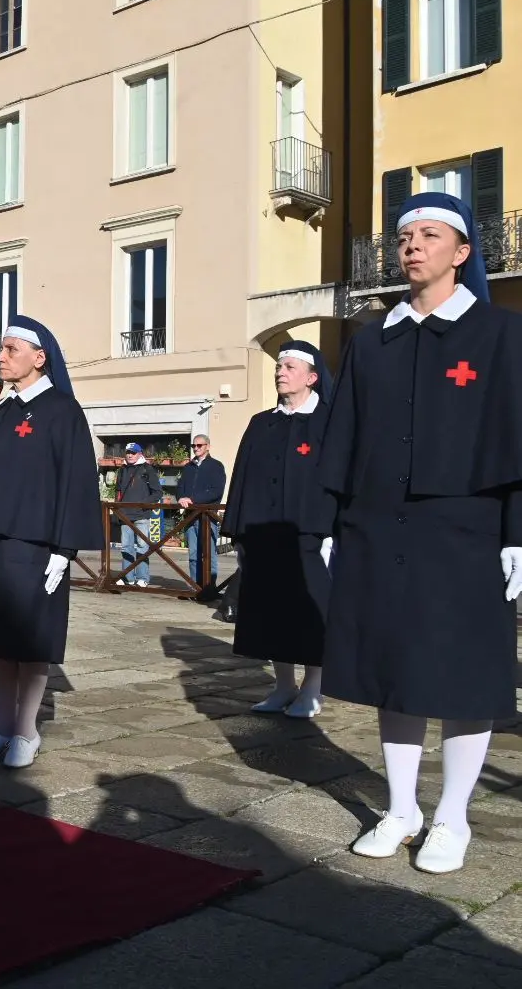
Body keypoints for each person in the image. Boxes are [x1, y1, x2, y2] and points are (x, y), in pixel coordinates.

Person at [319, 192, 522, 875]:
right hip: (379, 529)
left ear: (462, 253)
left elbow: (517, 438)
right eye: (404, 236)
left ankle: (452, 816)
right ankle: (401, 808)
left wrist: (517, 534)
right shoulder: (371, 341)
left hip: (465, 530)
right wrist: (328, 523)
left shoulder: (500, 335)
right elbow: (341, 437)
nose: (410, 247)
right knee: (394, 671)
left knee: (462, 675)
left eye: (428, 235)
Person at [0, 316, 102, 768]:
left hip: (36, 546)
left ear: (39, 357)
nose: (1, 357)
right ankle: (2, 726)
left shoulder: (63, 411)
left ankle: (27, 731)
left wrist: (64, 548)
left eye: (11, 349)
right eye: (1, 349)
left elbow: (75, 481)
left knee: (30, 642)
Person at [223, 341, 334, 720]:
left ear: (312, 377)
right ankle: (283, 685)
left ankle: (313, 688)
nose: (279, 372)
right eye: (278, 367)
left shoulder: (329, 421)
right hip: (263, 534)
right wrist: (238, 531)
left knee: (310, 612)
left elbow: (341, 480)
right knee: (270, 612)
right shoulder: (261, 422)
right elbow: (242, 477)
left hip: (311, 534)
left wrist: (334, 532)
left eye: (288, 366)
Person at [176, 434, 227, 597]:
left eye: (199, 445)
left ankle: (209, 588)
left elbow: (216, 491)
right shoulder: (188, 467)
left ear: (208, 446)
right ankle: (194, 587)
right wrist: (181, 498)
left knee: (208, 553)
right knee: (193, 554)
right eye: (194, 446)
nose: (196, 448)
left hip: (208, 516)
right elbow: (180, 487)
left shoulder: (216, 466)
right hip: (190, 516)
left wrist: (192, 499)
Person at [114, 442, 162, 587]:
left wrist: (143, 504)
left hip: (141, 515)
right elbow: (118, 492)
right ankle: (127, 577)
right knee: (126, 547)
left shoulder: (148, 469)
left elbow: (158, 492)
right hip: (125, 515)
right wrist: (117, 509)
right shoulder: (122, 470)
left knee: (142, 547)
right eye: (128, 452)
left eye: (133, 452)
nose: (130, 455)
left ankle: (142, 578)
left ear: (140, 454)